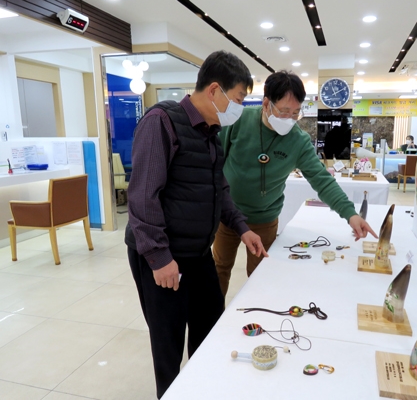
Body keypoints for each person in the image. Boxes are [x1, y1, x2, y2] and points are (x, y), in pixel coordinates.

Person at [125, 50, 267, 399]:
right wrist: (159, 257)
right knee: (168, 342)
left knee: (210, 331)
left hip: (198, 253)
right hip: (164, 255)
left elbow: (219, 190)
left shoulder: (210, 133)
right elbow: (143, 197)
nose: (239, 107)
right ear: (215, 90)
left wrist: (242, 227)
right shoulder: (161, 122)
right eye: (238, 99)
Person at [213, 70, 378, 297]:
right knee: (219, 269)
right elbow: (215, 161)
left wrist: (350, 214)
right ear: (266, 104)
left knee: (260, 276)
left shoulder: (298, 141)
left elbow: (322, 180)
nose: (289, 119)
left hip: (264, 220)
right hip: (228, 216)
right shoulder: (239, 121)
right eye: (284, 111)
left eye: (295, 113)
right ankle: (213, 318)